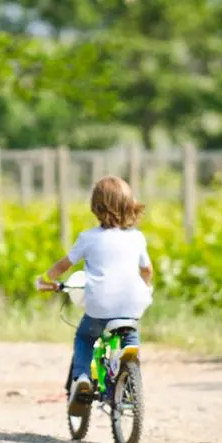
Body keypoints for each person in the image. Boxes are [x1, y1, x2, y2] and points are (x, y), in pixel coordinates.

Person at [37, 176, 154, 415]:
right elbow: (147, 270)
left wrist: (46, 279)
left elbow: (64, 265)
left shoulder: (88, 238)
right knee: (130, 337)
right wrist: (144, 286)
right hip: (132, 304)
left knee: (84, 338)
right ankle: (130, 366)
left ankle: (82, 378)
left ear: (95, 206)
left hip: (100, 305)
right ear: (128, 204)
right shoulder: (137, 237)